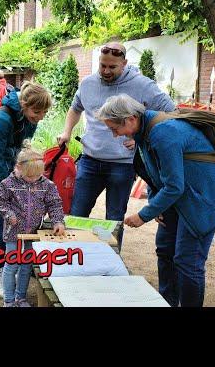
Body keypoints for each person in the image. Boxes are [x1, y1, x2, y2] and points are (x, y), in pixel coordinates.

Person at [95, 94, 215, 307]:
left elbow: (173, 186)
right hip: (183, 195)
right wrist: (157, 204)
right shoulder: (144, 132)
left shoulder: (163, 132)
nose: (114, 135)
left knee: (187, 261)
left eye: (115, 128)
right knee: (165, 249)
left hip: (205, 198)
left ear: (131, 118)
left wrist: (144, 215)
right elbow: (157, 174)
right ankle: (167, 302)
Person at [57, 42, 175, 245]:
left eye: (112, 67)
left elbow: (170, 112)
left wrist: (141, 138)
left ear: (125, 63)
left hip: (122, 165)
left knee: (114, 217)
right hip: (90, 160)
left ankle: (111, 259)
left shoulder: (142, 85)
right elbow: (75, 108)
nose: (106, 71)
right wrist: (67, 131)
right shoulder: (88, 84)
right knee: (77, 212)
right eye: (102, 65)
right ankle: (71, 256)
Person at [0, 81, 52, 297]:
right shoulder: (1, 119)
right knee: (2, 215)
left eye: (44, 112)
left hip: (2, 165)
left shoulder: (29, 118)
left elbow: (20, 148)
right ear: (23, 104)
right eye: (37, 111)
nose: (40, 116)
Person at [0, 140, 65, 307]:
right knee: (11, 266)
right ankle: (9, 301)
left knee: (26, 266)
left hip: (33, 233)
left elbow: (54, 203)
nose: (34, 179)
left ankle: (21, 298)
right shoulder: (8, 184)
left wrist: (58, 221)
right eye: (29, 176)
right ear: (18, 168)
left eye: (37, 175)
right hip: (13, 233)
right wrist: (8, 214)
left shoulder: (47, 186)